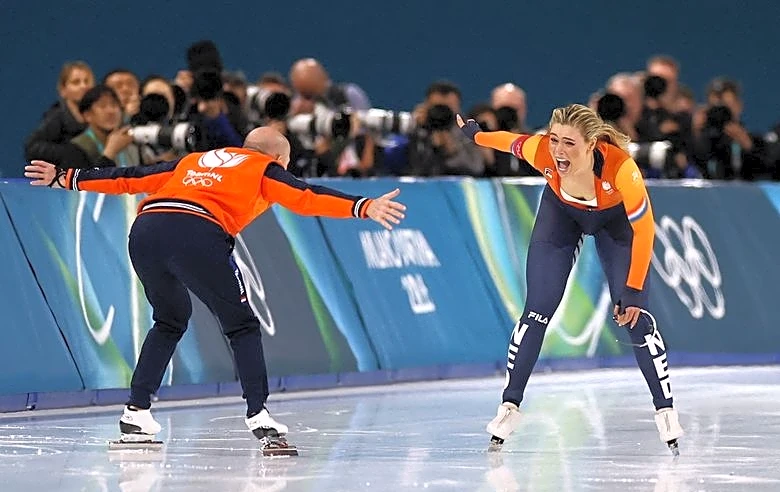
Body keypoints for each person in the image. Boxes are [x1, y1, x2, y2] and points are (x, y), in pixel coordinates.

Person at [24, 126, 406, 455]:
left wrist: (68, 178)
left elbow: (132, 176)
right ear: (277, 157)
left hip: (146, 230)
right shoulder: (264, 168)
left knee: (170, 320)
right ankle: (259, 416)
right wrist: (363, 206)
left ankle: (136, 413)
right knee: (240, 325)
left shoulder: (193, 160)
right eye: (284, 163)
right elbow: (305, 196)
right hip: (196, 232)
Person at [457, 104, 684, 455]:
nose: (559, 151)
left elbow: (644, 230)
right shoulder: (542, 150)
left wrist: (634, 290)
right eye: (555, 140)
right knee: (536, 311)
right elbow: (507, 142)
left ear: (592, 144)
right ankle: (509, 406)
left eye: (570, 144)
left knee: (637, 319)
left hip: (616, 223)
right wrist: (475, 135)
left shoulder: (622, 169)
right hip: (561, 215)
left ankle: (665, 410)